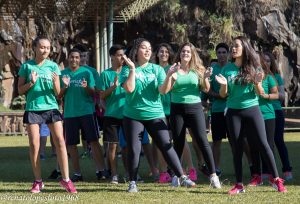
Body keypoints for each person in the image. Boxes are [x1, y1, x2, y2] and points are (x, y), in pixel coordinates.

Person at [120, 38, 195, 193]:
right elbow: (129, 89)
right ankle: (133, 182)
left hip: (155, 114)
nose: (148, 50)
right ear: (136, 50)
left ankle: (182, 176)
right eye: (143, 48)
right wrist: (133, 70)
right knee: (134, 149)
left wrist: (168, 76)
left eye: (149, 48)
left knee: (166, 145)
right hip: (133, 115)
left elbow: (163, 91)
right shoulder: (127, 69)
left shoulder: (156, 69)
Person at [215, 36, 287, 194]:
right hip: (233, 112)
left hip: (253, 110)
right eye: (232, 46)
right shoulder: (227, 69)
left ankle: (276, 180)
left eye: (237, 46)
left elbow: (261, 93)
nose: (233, 48)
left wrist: (256, 82)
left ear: (244, 48)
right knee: (237, 148)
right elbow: (223, 95)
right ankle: (239, 185)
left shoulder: (255, 67)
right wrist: (224, 86)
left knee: (264, 144)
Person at [18, 36, 77, 193]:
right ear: (35, 48)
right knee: (34, 144)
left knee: (60, 141)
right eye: (42, 47)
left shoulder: (53, 67)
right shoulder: (26, 66)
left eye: (48, 48)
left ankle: (66, 180)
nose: (45, 50)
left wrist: (61, 84)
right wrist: (31, 82)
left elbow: (58, 94)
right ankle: (38, 181)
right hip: (33, 108)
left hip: (51, 108)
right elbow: (20, 90)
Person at [160, 42, 221, 188]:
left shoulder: (198, 69)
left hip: (195, 108)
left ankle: (213, 176)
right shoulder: (173, 69)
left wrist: (206, 77)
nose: (185, 53)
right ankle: (177, 176)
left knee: (202, 141)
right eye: (183, 51)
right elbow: (165, 91)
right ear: (179, 54)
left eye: (188, 51)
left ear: (192, 54)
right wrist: (169, 75)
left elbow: (206, 89)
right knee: (178, 143)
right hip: (177, 109)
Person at [58, 48, 106, 182]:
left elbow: (94, 93)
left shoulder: (87, 72)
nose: (74, 60)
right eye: (72, 57)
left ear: (80, 59)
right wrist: (65, 86)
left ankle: (101, 170)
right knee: (71, 144)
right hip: (70, 114)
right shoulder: (63, 73)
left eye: (77, 57)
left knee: (94, 141)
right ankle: (77, 173)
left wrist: (86, 87)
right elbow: (59, 96)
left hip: (87, 112)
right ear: (68, 58)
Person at [154, 43, 197, 182]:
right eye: (161, 51)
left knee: (181, 140)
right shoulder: (153, 69)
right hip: (157, 110)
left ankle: (190, 169)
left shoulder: (174, 68)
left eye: (166, 52)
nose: (164, 54)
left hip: (173, 108)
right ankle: (164, 172)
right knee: (161, 143)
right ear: (157, 54)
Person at [248, 52, 279, 186]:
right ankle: (257, 176)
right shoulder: (248, 77)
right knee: (253, 146)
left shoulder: (269, 77)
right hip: (252, 115)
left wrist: (266, 96)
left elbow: (277, 95)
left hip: (267, 115)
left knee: (268, 145)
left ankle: (273, 176)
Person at [99, 44, 126, 184]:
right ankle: (114, 175)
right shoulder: (105, 74)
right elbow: (101, 96)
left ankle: (131, 174)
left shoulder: (128, 71)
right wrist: (114, 87)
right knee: (113, 146)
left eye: (123, 54)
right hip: (112, 115)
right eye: (120, 55)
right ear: (112, 57)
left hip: (128, 115)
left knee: (129, 146)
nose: (123, 57)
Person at [267, 51, 293, 180]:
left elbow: (282, 96)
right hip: (262, 113)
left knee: (278, 141)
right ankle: (268, 171)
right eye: (263, 60)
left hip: (276, 112)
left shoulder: (277, 77)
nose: (265, 63)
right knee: (266, 143)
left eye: (268, 60)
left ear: (271, 62)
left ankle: (287, 169)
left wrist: (268, 96)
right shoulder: (256, 77)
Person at [207, 43, 230, 176]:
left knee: (237, 141)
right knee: (216, 141)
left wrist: (227, 94)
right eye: (219, 52)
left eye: (223, 52)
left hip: (231, 109)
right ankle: (216, 169)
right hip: (216, 110)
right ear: (216, 54)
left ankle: (251, 166)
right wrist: (219, 95)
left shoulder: (232, 68)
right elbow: (207, 90)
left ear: (227, 54)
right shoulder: (212, 69)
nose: (221, 55)